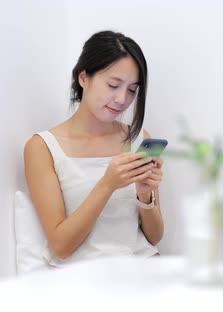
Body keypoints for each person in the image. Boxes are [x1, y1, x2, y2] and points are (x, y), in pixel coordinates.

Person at [23, 30, 164, 266]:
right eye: (113, 84)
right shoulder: (42, 148)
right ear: (83, 78)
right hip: (85, 280)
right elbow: (60, 246)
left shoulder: (139, 139)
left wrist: (144, 194)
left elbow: (154, 238)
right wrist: (107, 185)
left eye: (131, 90)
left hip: (143, 270)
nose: (122, 99)